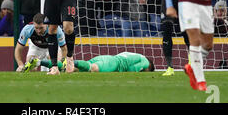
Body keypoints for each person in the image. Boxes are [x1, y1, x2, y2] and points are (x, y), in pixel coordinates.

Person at [24, 51, 155, 73]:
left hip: (108, 58)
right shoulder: (144, 61)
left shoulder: (135, 54)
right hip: (113, 64)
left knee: (78, 69)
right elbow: (133, 70)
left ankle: (39, 62)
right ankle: (71, 62)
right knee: (92, 68)